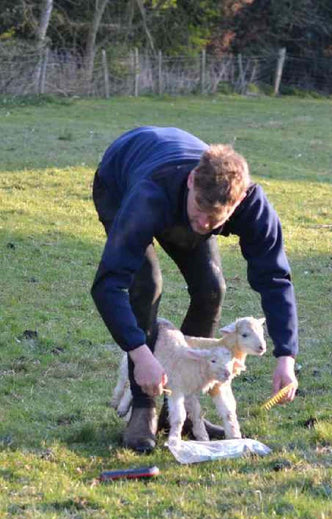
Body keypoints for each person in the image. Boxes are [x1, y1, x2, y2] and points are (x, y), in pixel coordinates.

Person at [91, 126, 299, 453]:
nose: (203, 223)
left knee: (210, 288)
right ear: (192, 181)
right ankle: (144, 406)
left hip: (172, 190)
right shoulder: (149, 197)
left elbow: (275, 278)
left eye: (216, 216)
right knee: (146, 283)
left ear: (238, 202)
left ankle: (184, 406)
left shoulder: (251, 205)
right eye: (200, 207)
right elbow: (108, 284)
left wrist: (286, 355)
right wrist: (140, 354)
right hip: (120, 180)